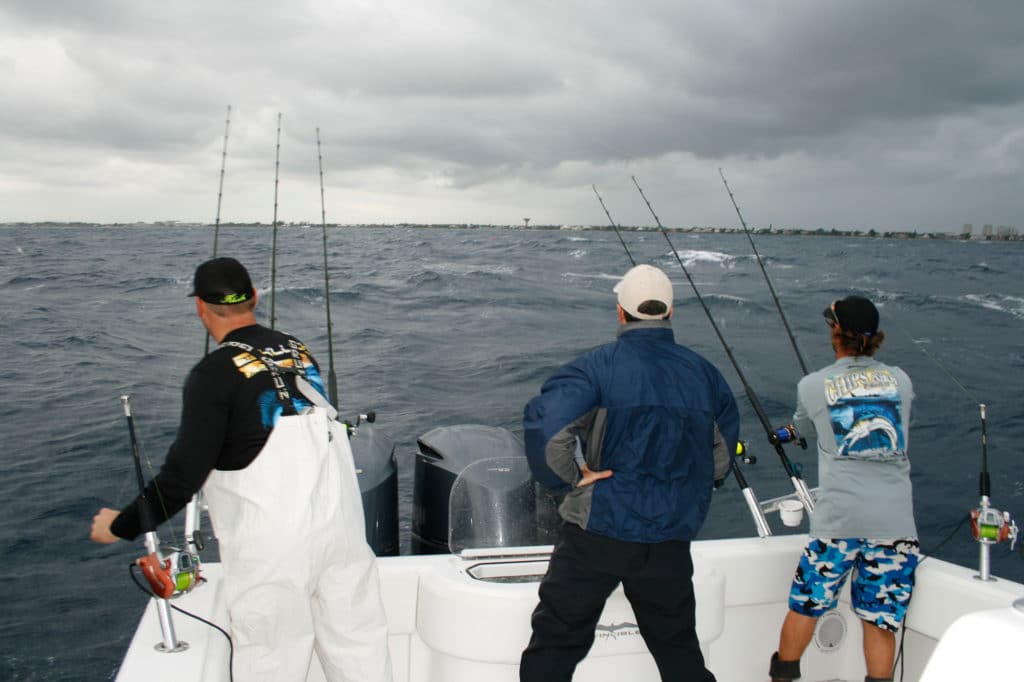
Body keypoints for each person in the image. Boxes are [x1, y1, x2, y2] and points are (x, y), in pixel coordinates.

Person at [90, 257, 392, 682]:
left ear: (201, 308)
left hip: (271, 553)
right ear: (254, 297)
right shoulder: (299, 351)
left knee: (272, 659)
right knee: (359, 647)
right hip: (340, 534)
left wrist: (120, 525)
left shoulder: (212, 374)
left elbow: (181, 478)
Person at [519, 264, 740, 682]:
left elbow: (546, 427)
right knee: (678, 650)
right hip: (670, 536)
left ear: (621, 313)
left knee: (555, 644)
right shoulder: (707, 375)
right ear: (670, 312)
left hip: (598, 531)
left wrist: (569, 478)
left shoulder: (597, 367)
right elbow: (721, 459)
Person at [769, 295, 918, 682]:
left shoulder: (813, 385)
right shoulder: (901, 381)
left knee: (806, 606)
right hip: (894, 524)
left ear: (836, 333)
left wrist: (784, 434)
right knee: (880, 623)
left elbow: (803, 428)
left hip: (838, 523)